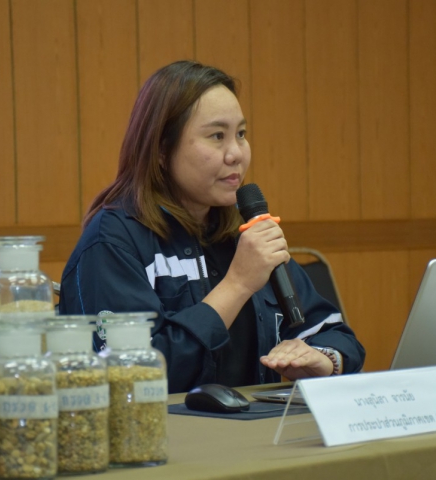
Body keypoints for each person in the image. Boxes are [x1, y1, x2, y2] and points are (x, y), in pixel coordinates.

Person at [59, 60, 365, 393]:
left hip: (256, 421)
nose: (236, 154)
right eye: (217, 136)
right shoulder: (113, 241)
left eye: (241, 134)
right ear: (161, 149)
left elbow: (335, 334)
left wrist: (323, 359)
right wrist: (237, 284)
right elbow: (133, 378)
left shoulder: (243, 233)